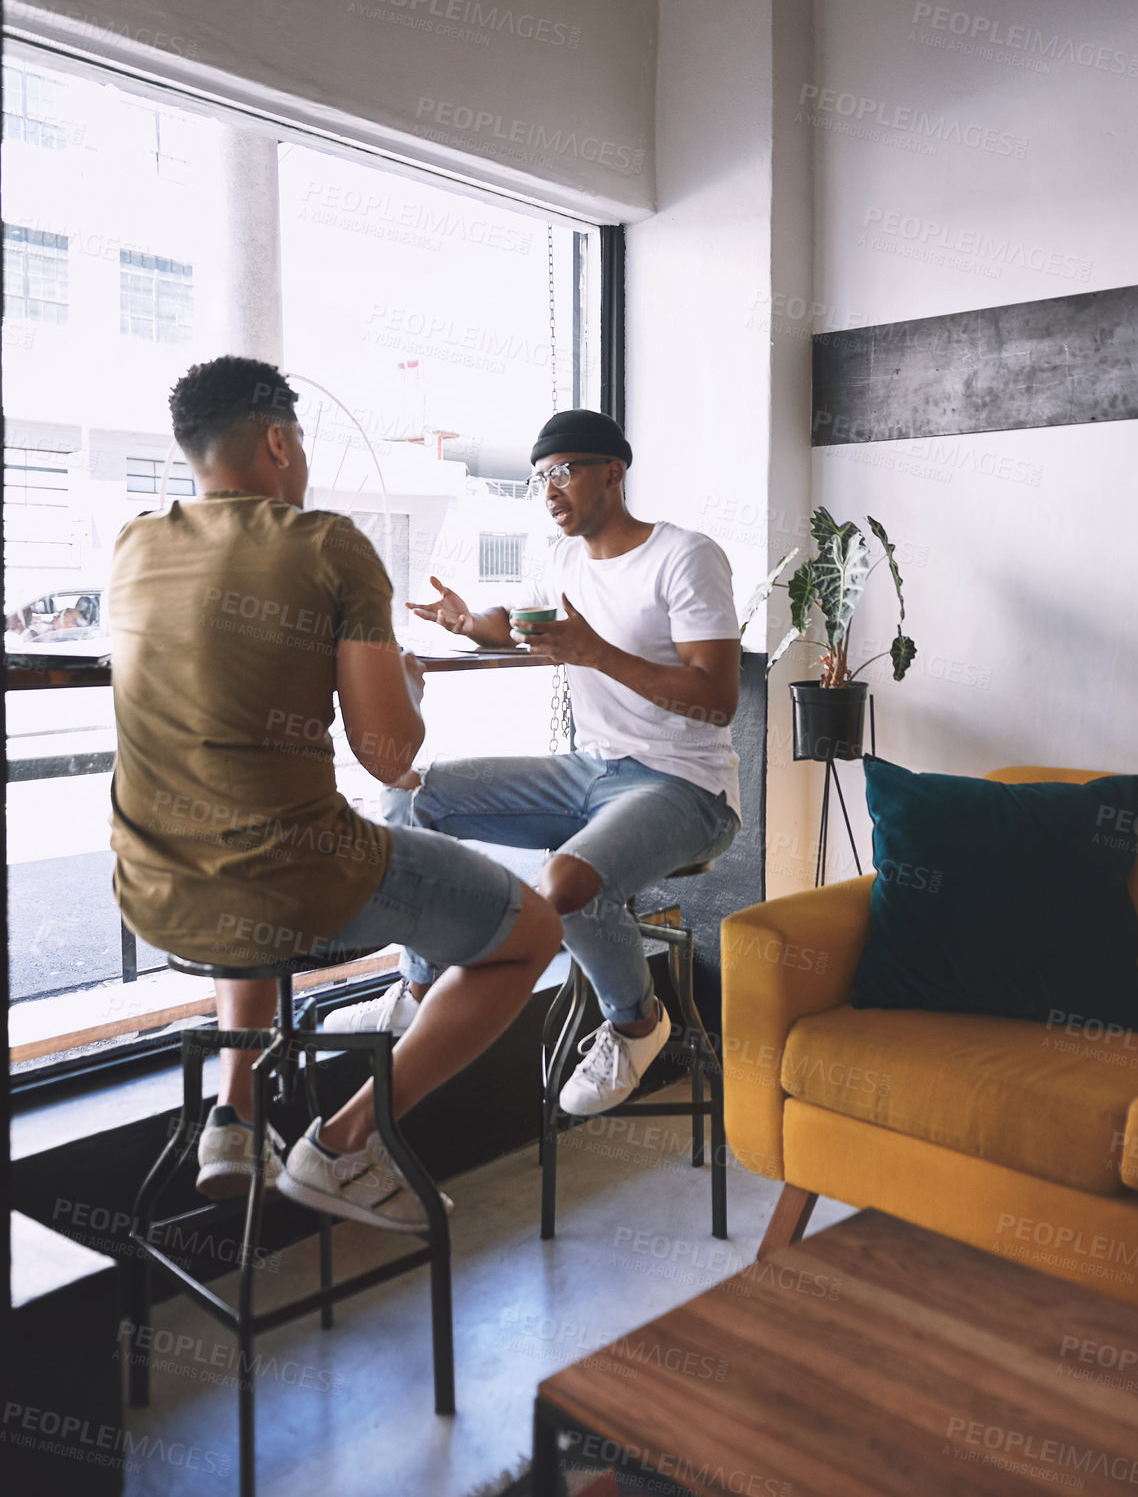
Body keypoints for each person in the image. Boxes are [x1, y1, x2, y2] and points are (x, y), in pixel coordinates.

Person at [108, 356, 561, 1231]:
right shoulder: (327, 544)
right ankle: (345, 1146)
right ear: (277, 441)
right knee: (532, 930)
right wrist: (406, 684)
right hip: (290, 879)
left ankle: (235, 1120)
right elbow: (390, 757)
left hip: (152, 891)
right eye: (300, 440)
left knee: (246, 854)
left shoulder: (135, 544)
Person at [327, 408, 742, 1117]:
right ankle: (418, 987)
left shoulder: (684, 555)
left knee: (566, 885)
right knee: (409, 798)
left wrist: (596, 655)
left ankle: (636, 1026)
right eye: (539, 479)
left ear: (612, 471)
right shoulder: (561, 558)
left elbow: (718, 699)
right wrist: (468, 624)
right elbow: (524, 626)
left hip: (686, 788)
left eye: (563, 471)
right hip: (589, 770)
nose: (549, 489)